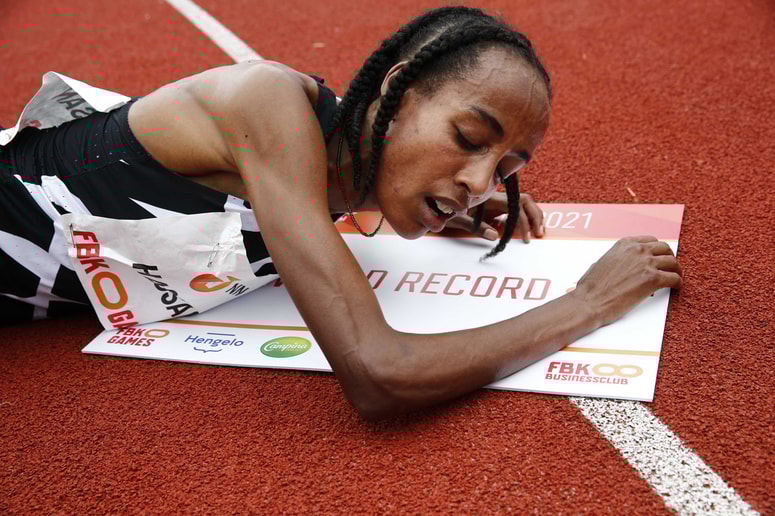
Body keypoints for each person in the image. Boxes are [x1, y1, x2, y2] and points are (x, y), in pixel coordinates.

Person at [0, 7, 681, 418]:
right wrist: (588, 302)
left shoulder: (327, 169)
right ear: (396, 90)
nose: (479, 181)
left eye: (504, 171)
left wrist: (433, 204)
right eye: (467, 141)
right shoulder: (264, 103)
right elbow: (379, 373)